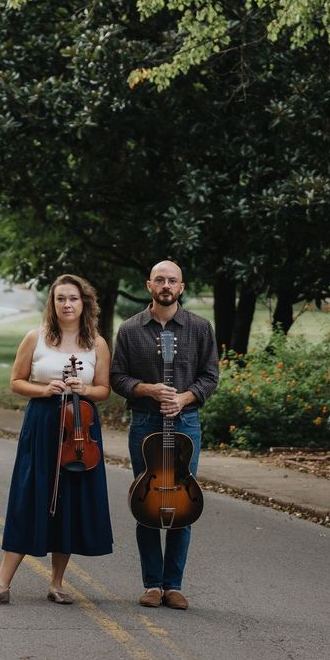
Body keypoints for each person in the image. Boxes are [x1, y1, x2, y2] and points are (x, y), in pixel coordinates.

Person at [0, 274, 113, 605]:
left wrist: (84, 389)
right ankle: (1, 585)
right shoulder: (36, 337)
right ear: (53, 303)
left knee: (70, 503)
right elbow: (16, 382)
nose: (67, 304)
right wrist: (44, 389)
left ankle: (57, 584)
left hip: (79, 430)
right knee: (28, 498)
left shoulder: (97, 344)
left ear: (84, 302)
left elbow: (103, 390)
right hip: (43, 424)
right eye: (60, 298)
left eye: (73, 298)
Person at [110, 260, 218, 610]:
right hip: (144, 425)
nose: (166, 285)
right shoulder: (129, 330)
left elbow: (210, 376)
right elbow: (117, 378)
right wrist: (147, 390)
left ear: (182, 287)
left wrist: (185, 398)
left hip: (185, 425)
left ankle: (174, 585)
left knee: (182, 503)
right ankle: (152, 585)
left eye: (172, 280)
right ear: (149, 285)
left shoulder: (200, 329)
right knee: (147, 502)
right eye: (160, 280)